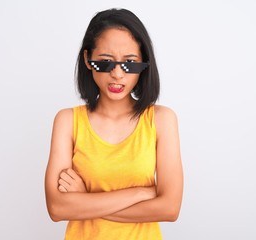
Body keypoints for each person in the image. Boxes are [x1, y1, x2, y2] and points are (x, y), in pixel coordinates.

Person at [44, 8, 183, 240]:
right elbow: (57, 209)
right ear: (88, 60)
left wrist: (85, 199)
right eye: (106, 62)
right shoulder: (68, 121)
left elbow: (169, 208)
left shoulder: (162, 120)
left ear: (144, 64)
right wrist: (141, 193)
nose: (118, 74)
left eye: (130, 63)